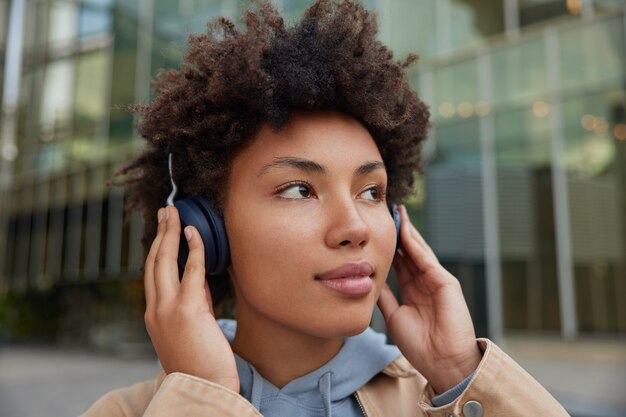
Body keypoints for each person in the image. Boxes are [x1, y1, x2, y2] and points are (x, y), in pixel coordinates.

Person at [82, 1, 570, 416]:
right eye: (298, 190)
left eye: (371, 192)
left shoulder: (441, 402)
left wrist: (461, 373)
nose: (355, 228)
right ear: (204, 230)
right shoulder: (131, 411)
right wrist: (202, 399)